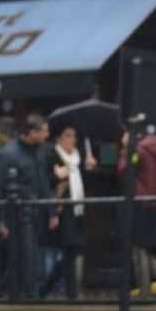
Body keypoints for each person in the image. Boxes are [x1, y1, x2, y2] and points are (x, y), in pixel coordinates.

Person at [0, 115, 56, 299]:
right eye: (44, 131)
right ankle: (31, 295)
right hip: (19, 212)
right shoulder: (8, 154)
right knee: (27, 255)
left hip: (35, 211)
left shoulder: (38, 152)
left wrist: (50, 211)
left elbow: (43, 183)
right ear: (32, 132)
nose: (47, 135)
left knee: (26, 255)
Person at [42, 124, 97, 299]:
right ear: (58, 138)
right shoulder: (52, 157)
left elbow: (85, 184)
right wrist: (56, 176)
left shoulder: (76, 159)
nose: (72, 140)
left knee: (73, 252)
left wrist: (89, 169)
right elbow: (45, 184)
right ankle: (72, 294)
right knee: (69, 250)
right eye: (68, 136)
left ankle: (45, 289)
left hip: (77, 209)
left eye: (74, 136)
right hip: (62, 210)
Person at [118, 127, 156, 299]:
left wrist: (126, 148)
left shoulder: (136, 150)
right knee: (149, 246)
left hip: (140, 203)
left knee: (138, 247)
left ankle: (145, 291)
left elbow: (123, 170)